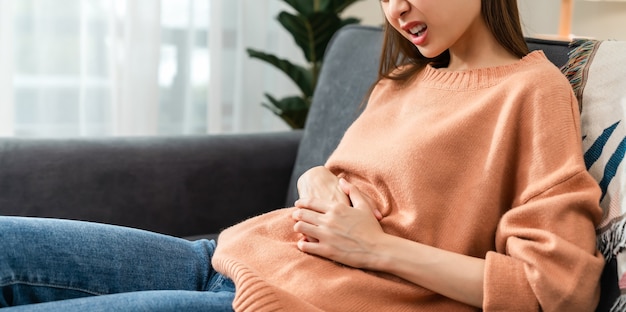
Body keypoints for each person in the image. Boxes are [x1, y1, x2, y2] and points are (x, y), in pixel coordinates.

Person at [0, 0, 604, 311]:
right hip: (223, 257)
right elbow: (344, 179)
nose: (397, 8)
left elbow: (554, 288)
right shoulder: (400, 82)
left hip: (289, 304)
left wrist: (379, 249)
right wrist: (315, 178)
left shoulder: (532, 91)